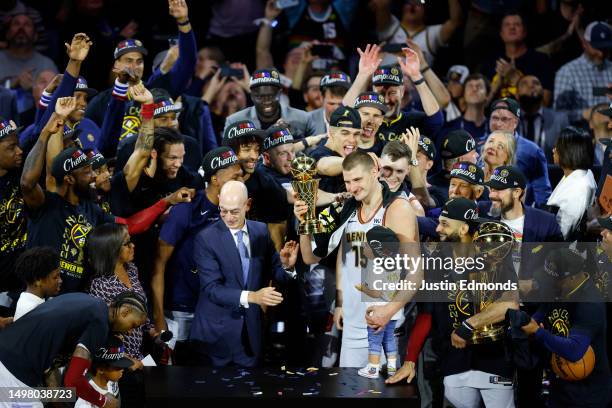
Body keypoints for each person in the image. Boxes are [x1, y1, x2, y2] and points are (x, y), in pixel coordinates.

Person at [20, 99, 193, 293]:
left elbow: (130, 225)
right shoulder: (47, 203)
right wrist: (47, 131)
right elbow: (29, 182)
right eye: (87, 172)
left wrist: (166, 202)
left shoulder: (91, 209)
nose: (94, 175)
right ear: (69, 179)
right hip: (42, 299)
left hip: (78, 298)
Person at [295, 151, 420, 367]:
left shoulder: (397, 209)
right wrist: (304, 224)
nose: (352, 187)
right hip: (353, 326)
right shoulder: (345, 207)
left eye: (357, 180)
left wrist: (387, 312)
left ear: (374, 172)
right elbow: (310, 257)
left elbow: (416, 273)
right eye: (347, 181)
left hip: (385, 326)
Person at [190, 181, 299, 367]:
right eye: (223, 210)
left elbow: (277, 273)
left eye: (234, 211)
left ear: (247, 205)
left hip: (250, 336)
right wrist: (253, 296)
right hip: (215, 338)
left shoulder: (260, 231)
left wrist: (287, 266)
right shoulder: (206, 239)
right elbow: (211, 289)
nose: (228, 217)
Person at [152, 147, 242, 353]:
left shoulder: (239, 212)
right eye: (234, 177)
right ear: (215, 180)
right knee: (177, 378)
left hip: (220, 309)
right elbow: (158, 265)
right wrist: (158, 318)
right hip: (182, 310)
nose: (240, 182)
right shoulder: (186, 210)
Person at [0, 291, 147, 408]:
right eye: (133, 325)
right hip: (15, 369)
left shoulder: (89, 303)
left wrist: (57, 399)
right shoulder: (99, 323)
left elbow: (52, 367)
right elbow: (73, 380)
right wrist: (102, 401)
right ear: (125, 312)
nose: (129, 333)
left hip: (8, 357)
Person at [85, 0, 196, 141]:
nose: (134, 66)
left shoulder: (156, 91)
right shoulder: (101, 101)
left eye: (139, 61)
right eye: (128, 61)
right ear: (116, 65)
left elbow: (188, 61)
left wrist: (183, 21)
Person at [521, 248, 612, 408]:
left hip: (587, 394)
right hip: (559, 387)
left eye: (554, 279)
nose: (549, 283)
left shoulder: (589, 303)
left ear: (571, 278)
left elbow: (575, 351)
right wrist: (530, 323)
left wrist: (537, 332)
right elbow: (541, 314)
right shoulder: (558, 290)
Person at [483, 166, 563, 294]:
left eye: (498, 190)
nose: (492, 195)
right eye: (491, 189)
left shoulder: (545, 222)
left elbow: (560, 260)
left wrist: (535, 282)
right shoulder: (484, 218)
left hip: (532, 302)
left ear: (517, 192)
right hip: (494, 298)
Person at [342, 45, 443, 144]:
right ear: (373, 91)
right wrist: (362, 75)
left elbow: (436, 120)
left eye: (392, 93)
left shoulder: (412, 121)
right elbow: (342, 115)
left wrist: (416, 76)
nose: (386, 100)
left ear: (402, 92)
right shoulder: (362, 121)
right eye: (381, 93)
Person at [488, 97, 551, 206]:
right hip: (484, 213)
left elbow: (542, 191)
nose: (498, 124)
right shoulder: (478, 146)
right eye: (495, 118)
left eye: (504, 119)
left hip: (518, 216)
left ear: (515, 122)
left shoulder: (531, 151)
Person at [223, 67, 316, 138]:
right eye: (260, 97)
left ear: (279, 93)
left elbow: (315, 153)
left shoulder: (304, 119)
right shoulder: (234, 122)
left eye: (271, 96)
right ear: (252, 96)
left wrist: (295, 134)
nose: (267, 101)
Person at [483, 13, 554, 104]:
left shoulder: (540, 60)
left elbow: (545, 103)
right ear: (501, 34)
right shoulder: (491, 62)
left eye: (517, 24)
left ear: (525, 32)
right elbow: (480, 108)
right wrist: (496, 87)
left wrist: (517, 79)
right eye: (507, 25)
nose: (512, 27)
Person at [554, 21, 612, 124]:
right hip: (582, 135)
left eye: (605, 48)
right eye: (597, 48)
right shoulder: (568, 73)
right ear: (584, 44)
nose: (600, 54)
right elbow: (558, 116)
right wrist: (584, 114)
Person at [374, 0, 462, 67]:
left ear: (425, 12)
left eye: (418, 4)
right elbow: (381, 4)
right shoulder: (391, 25)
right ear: (403, 8)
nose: (413, 6)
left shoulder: (431, 34)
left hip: (416, 88)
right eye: (409, 3)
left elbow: (455, 22)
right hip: (383, 84)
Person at [547, 126, 596, 240]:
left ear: (569, 151)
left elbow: (562, 232)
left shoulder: (579, 188)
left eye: (557, 147)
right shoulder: (581, 173)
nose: (553, 150)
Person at [516, 75, 569, 162]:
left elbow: (567, 155)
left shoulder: (560, 119)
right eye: (524, 84)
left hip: (550, 173)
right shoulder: (509, 119)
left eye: (536, 83)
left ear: (543, 92)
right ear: (517, 94)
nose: (531, 86)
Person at [0, 118, 25, 295]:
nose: (19, 151)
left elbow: (39, 133)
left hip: (27, 280)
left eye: (18, 145)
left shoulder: (20, 174)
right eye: (11, 147)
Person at [310, 106, 361, 193]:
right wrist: (363, 162)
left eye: (356, 134)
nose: (352, 140)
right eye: (345, 133)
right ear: (330, 133)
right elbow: (324, 167)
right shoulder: (316, 154)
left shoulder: (357, 155)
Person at [74, 336, 133, 408]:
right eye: (117, 367)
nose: (122, 370)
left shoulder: (110, 379)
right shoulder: (85, 403)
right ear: (101, 369)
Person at [428, 129, 479, 204]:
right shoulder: (455, 194)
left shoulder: (429, 182)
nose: (477, 155)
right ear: (462, 160)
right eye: (473, 153)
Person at [440, 73, 491, 149]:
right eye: (470, 86)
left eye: (479, 86)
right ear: (464, 95)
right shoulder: (450, 129)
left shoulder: (494, 128)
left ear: (487, 96)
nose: (474, 89)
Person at [13, 247, 61, 321]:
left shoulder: (30, 302)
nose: (60, 281)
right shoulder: (33, 312)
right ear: (38, 280)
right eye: (55, 277)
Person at [309, 71, 351, 135]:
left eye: (341, 104)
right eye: (331, 103)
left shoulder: (359, 121)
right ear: (321, 98)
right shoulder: (308, 121)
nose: (336, 108)